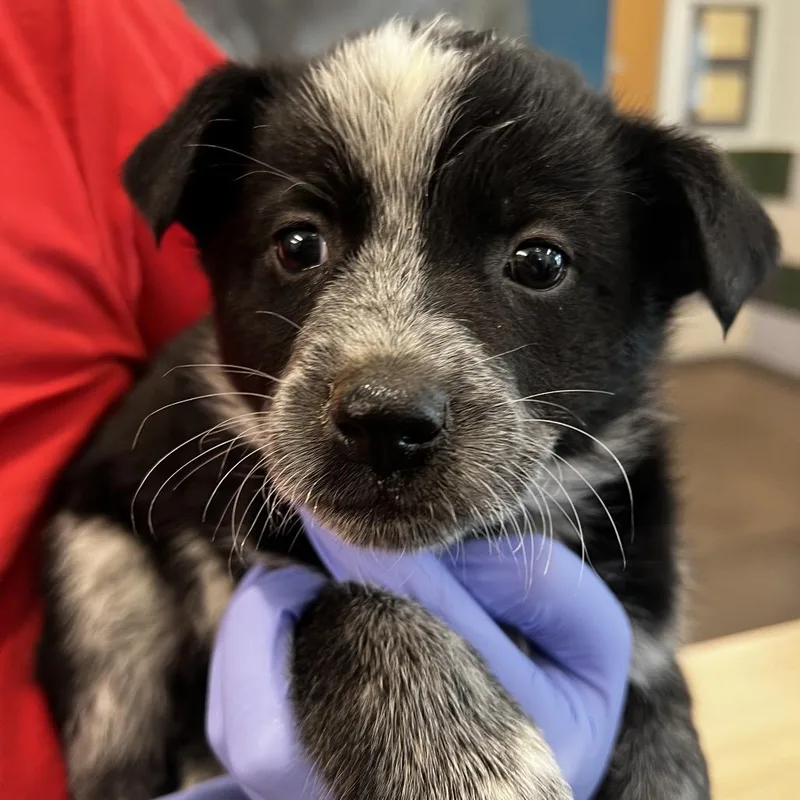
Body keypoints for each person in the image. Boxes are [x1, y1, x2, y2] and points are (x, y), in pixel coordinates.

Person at [0, 2, 631, 799]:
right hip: (128, 558)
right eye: (301, 246)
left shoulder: (77, 38)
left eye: (537, 261)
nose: (388, 380)